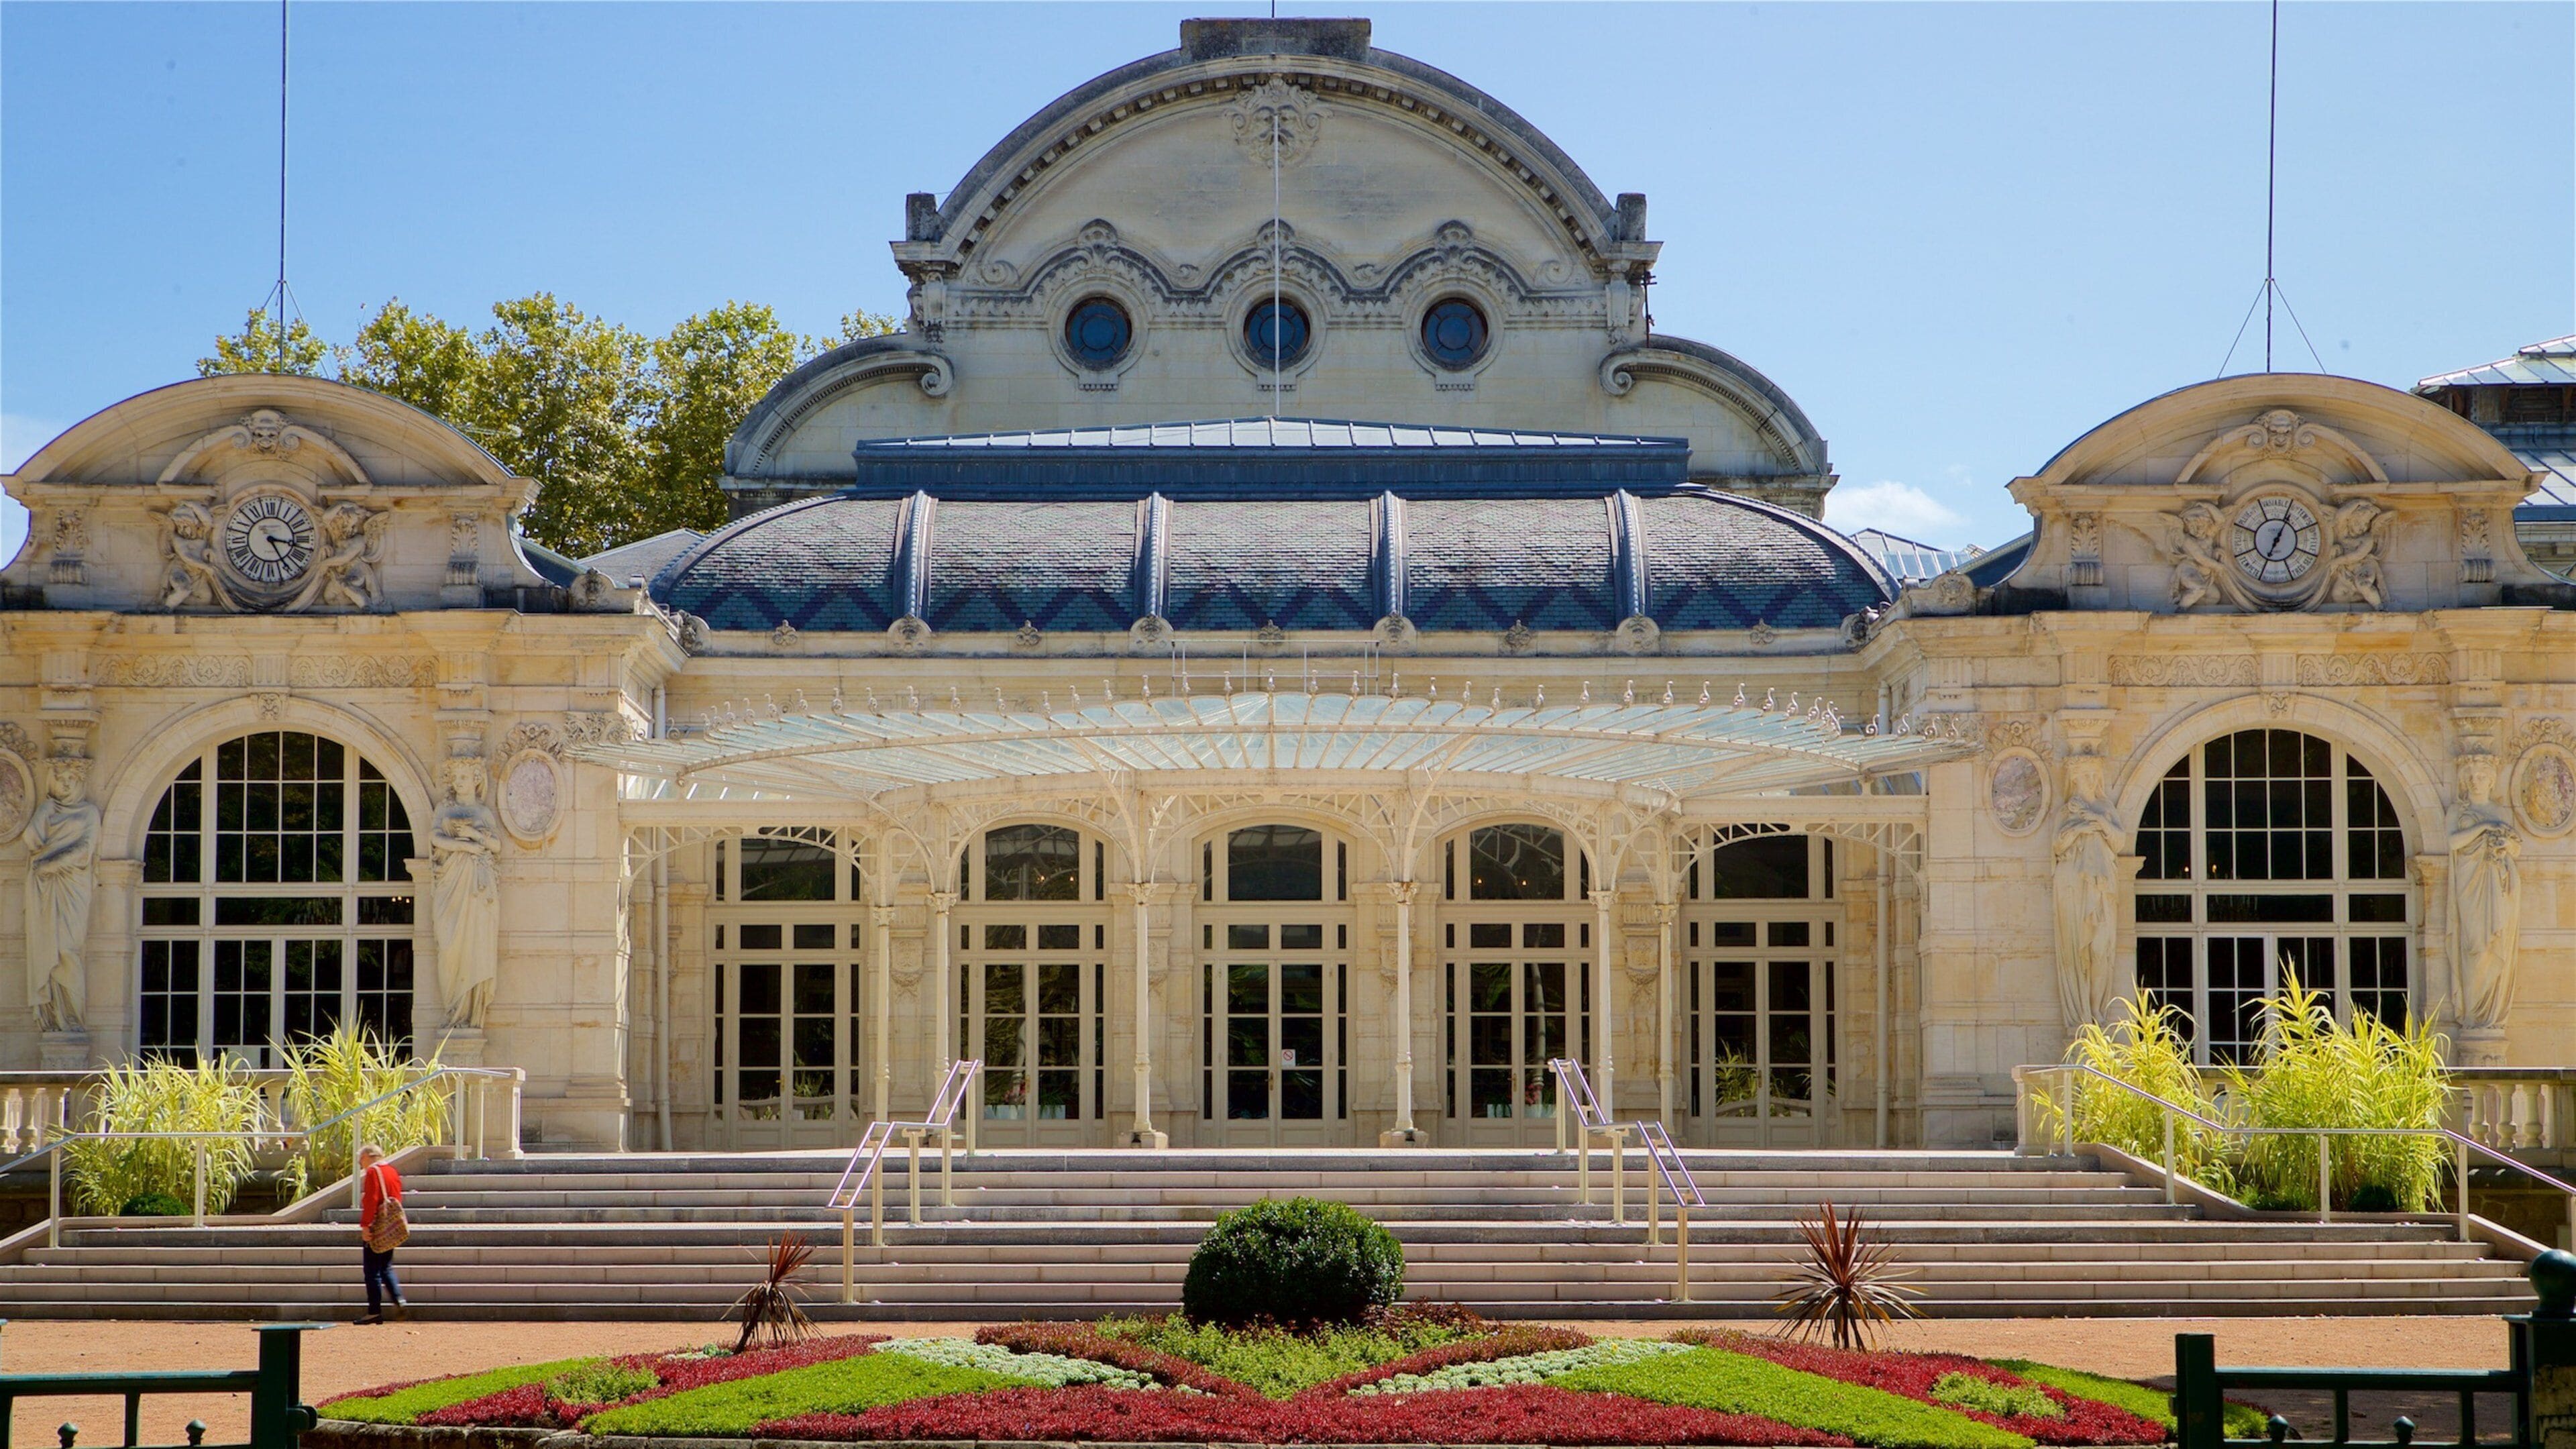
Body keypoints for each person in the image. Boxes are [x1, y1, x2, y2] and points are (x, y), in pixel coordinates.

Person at [356, 1144, 408, 1323]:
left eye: (360, 1160)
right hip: (390, 1226)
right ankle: (398, 1298)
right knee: (386, 1266)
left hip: (377, 1225)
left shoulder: (373, 1172)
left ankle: (374, 1311)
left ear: (368, 1157)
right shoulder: (392, 1171)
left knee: (371, 1271)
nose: (360, 1165)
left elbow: (371, 1200)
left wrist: (366, 1225)